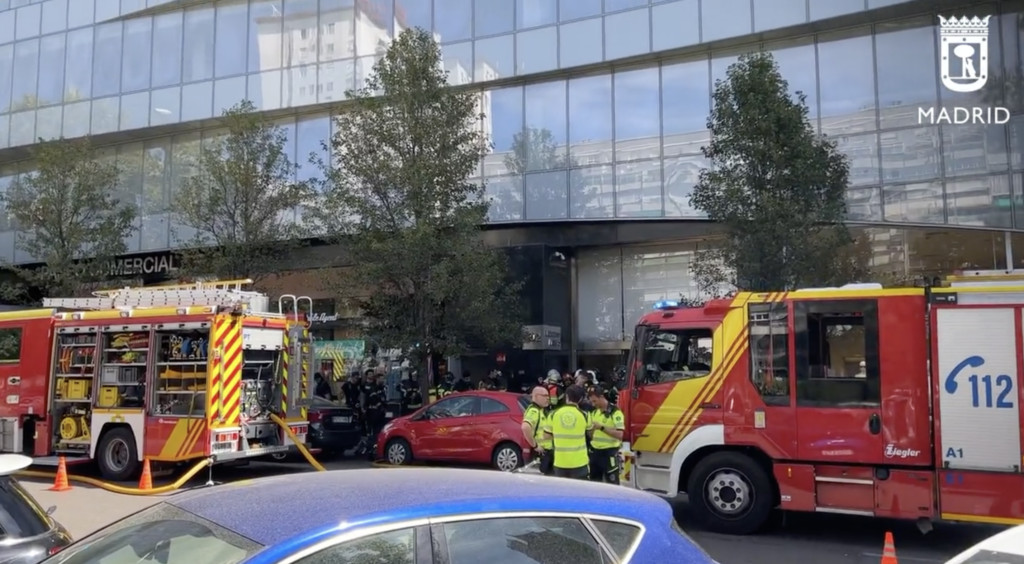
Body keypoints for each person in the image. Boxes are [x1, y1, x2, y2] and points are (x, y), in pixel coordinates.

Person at [542, 384, 592, 479]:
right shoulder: (585, 415)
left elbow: (546, 436)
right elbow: (590, 435)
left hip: (560, 463)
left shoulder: (553, 414)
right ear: (581, 399)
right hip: (580, 463)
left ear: (566, 397)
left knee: (563, 491)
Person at [587, 385, 625, 484]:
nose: (592, 404)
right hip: (595, 453)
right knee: (594, 484)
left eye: (594, 401)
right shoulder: (594, 413)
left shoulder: (615, 412)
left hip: (609, 453)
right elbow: (591, 436)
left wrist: (602, 428)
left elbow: (620, 435)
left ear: (601, 397)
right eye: (591, 401)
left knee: (612, 484)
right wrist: (591, 431)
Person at [521, 386, 553, 475]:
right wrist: (535, 446)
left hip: (544, 453)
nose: (548, 398)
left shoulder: (540, 410)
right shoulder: (534, 411)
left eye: (548, 396)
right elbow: (525, 427)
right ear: (536, 396)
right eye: (545, 396)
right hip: (539, 454)